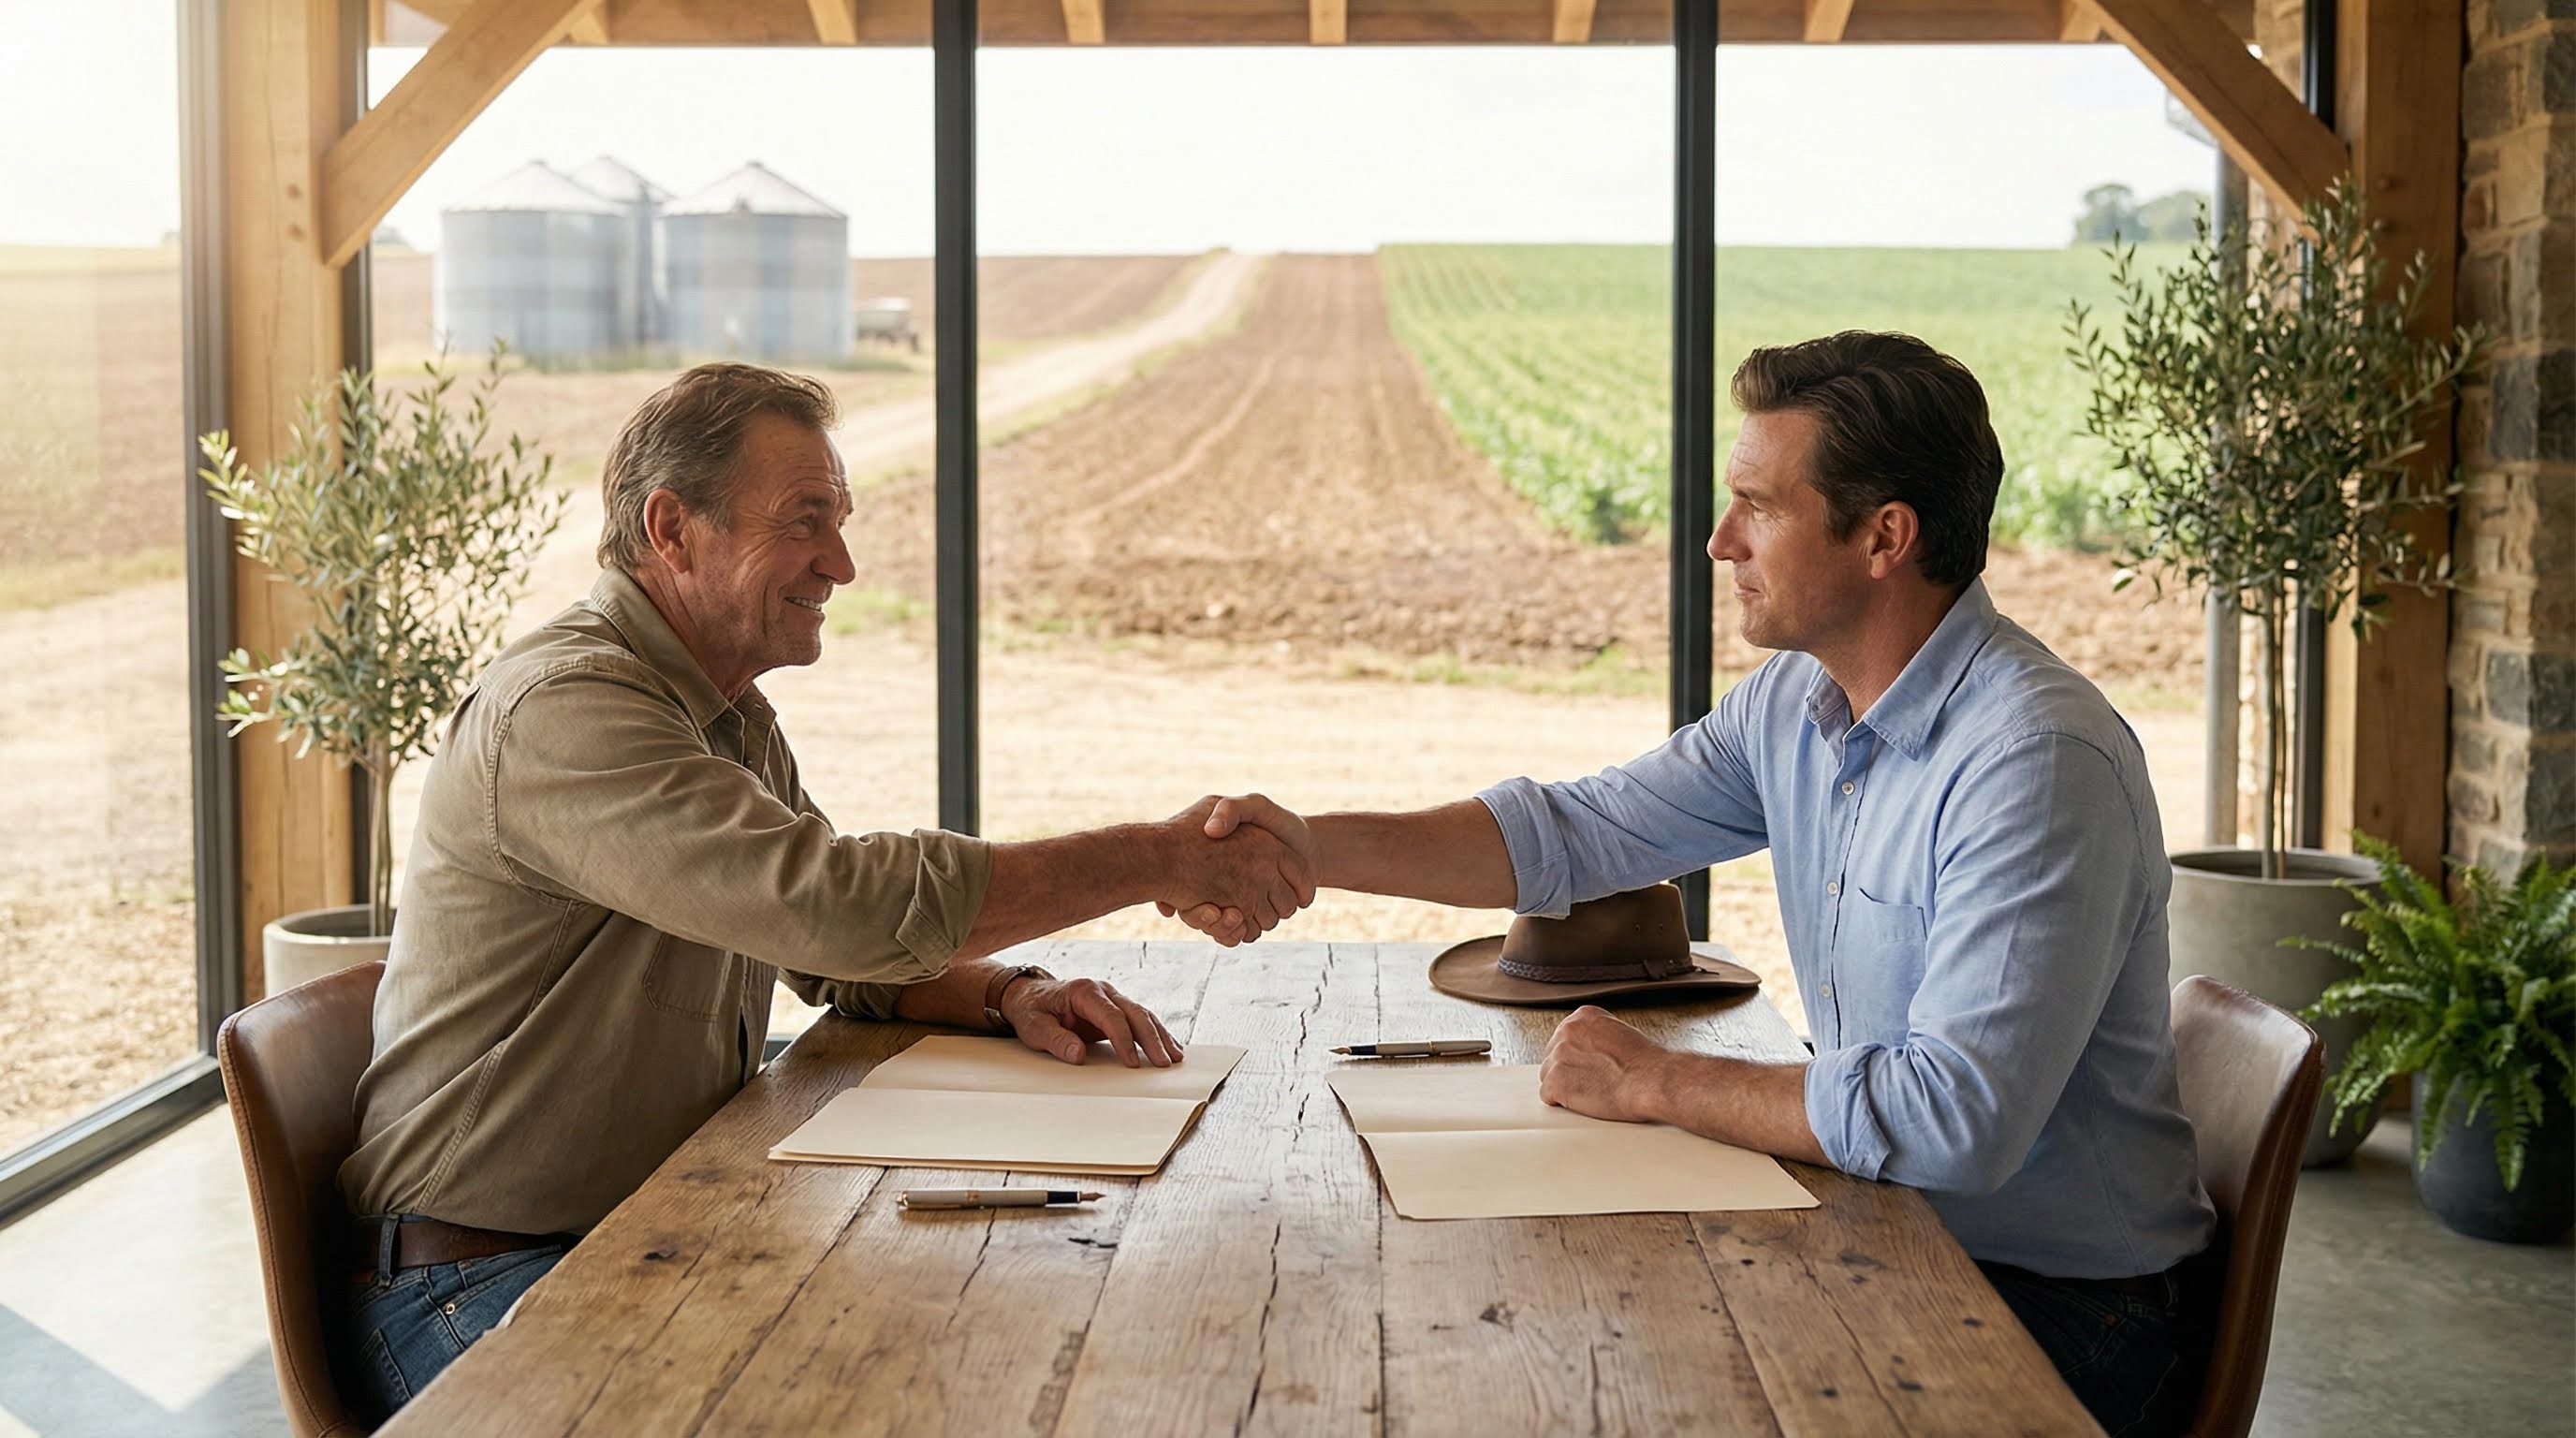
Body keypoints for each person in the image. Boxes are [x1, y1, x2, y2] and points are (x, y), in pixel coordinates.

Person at [1178, 331, 2218, 1437]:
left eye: (1758, 506)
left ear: (1884, 537)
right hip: (1898, 1230)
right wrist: (1305, 848)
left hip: (2061, 1314)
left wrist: (1658, 1082)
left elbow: (1950, 1120)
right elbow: (1579, 832)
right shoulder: (1797, 706)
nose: (1720, 541)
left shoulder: (2034, 762)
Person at [336, 362, 1311, 1417]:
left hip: (653, 1236)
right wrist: (1156, 858)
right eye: (807, 521)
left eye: (839, 521)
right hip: (483, 1282)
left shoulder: (723, 711)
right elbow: (836, 906)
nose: (840, 564)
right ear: (672, 527)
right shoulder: (567, 709)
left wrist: (1005, 992)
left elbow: (826, 955)